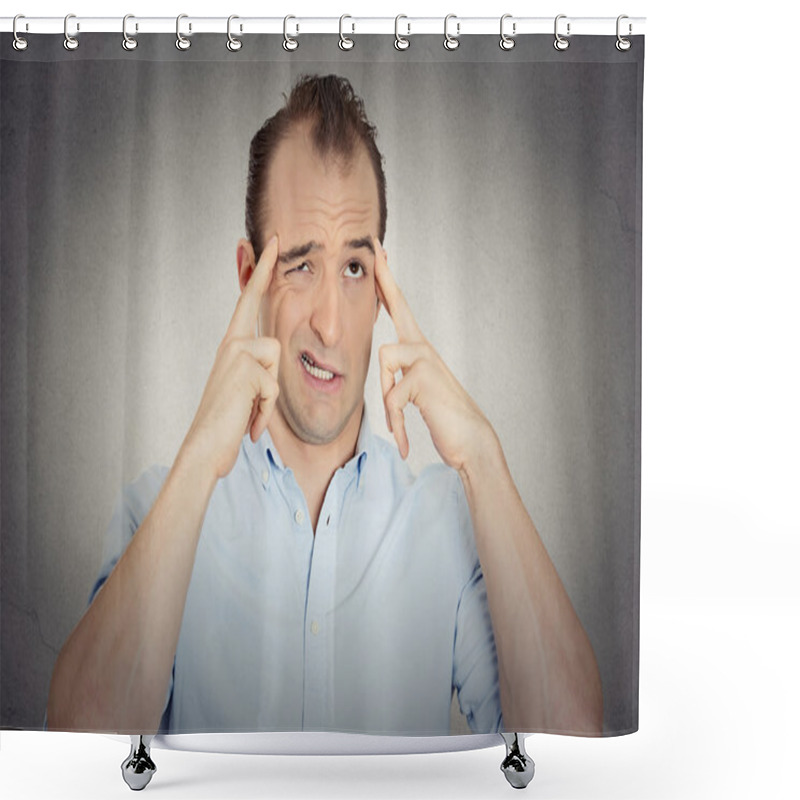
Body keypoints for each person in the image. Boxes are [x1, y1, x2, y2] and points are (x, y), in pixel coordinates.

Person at [47, 74, 603, 737]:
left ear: (382, 290)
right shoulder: (159, 512)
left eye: (354, 270)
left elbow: (574, 742)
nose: (332, 327)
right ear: (249, 277)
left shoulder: (450, 525)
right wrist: (199, 459)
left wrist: (483, 457)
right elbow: (76, 748)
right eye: (301, 266)